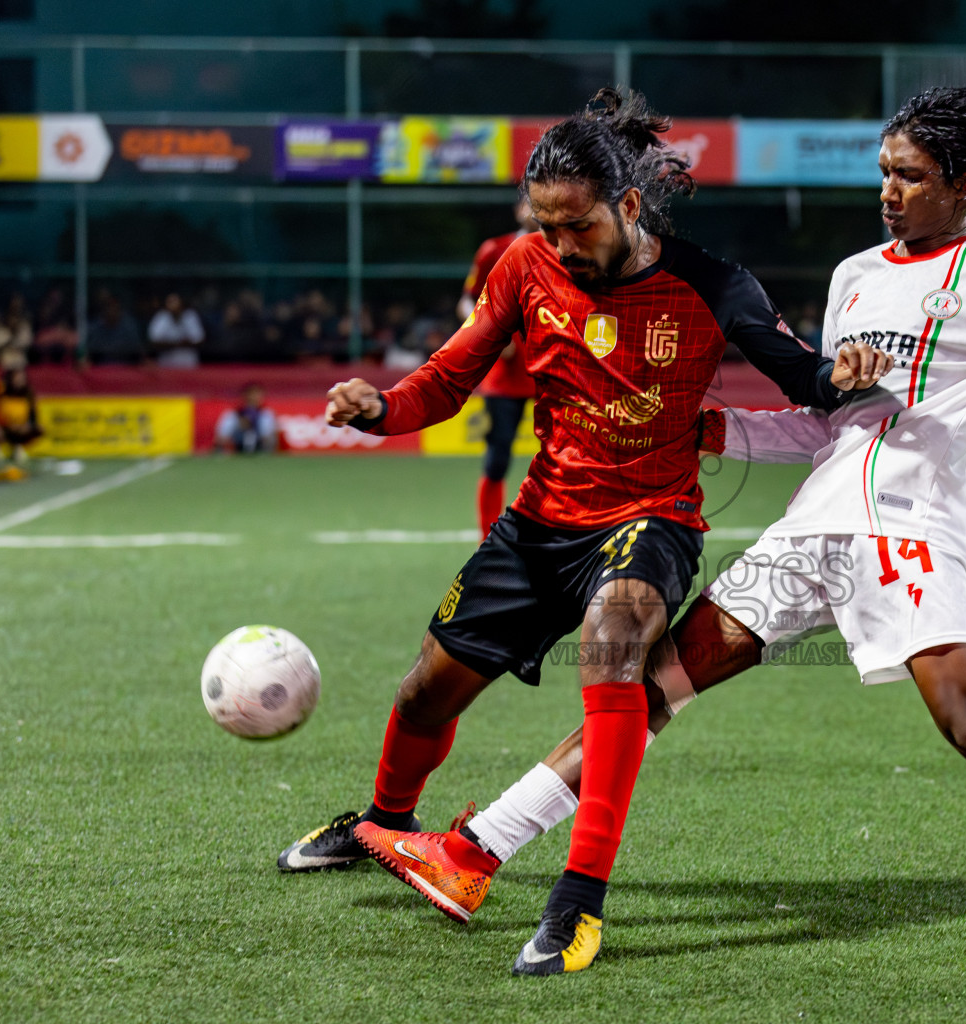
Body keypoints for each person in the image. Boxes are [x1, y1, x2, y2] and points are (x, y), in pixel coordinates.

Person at [356, 87, 966, 961]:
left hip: (911, 530)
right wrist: (716, 426)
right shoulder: (856, 276)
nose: (888, 191)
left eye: (909, 176)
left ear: (962, 182)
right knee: (650, 686)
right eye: (883, 172)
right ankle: (474, 846)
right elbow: (832, 419)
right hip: (812, 530)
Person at [276, 88, 890, 977]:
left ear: (629, 207)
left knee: (615, 651)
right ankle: (386, 824)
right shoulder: (524, 268)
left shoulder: (716, 286)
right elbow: (448, 380)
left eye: (577, 228)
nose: (562, 246)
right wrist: (381, 408)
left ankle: (578, 903)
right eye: (548, 227)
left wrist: (854, 363)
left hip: (651, 519)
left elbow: (807, 379)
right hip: (539, 523)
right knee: (422, 695)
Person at [458, 198, 539, 539]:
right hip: (504, 380)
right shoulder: (495, 250)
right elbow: (467, 299)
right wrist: (488, 330)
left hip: (556, 376)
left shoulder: (573, 251)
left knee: (567, 458)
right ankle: (487, 538)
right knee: (498, 458)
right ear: (520, 208)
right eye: (530, 201)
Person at [213, 383, 278, 453]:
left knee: (266, 419)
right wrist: (242, 423)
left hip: (259, 440)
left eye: (257, 394)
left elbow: (272, 431)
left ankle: (266, 450)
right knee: (230, 418)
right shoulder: (236, 412)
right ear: (245, 395)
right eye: (252, 394)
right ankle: (219, 449)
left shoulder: (265, 412)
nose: (254, 397)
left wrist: (253, 424)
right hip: (240, 438)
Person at [147, 293, 205, 368]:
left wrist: (182, 343)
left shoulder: (190, 316)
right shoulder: (161, 317)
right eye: (170, 302)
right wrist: (176, 343)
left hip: (188, 363)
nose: (173, 305)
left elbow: (199, 339)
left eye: (175, 301)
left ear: (181, 303)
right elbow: (154, 340)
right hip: (166, 363)